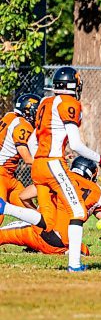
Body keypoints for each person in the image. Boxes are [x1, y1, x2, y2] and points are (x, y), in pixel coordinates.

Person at [31, 67, 101, 272]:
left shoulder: (44, 102)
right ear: (74, 85)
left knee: (48, 219)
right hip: (52, 163)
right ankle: (74, 265)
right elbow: (76, 144)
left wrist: (44, 157)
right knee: (78, 211)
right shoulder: (68, 103)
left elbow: (33, 140)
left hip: (38, 164)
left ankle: (6, 207)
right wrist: (100, 158)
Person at [0, 156, 101, 256]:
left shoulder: (57, 177)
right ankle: (67, 252)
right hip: (61, 245)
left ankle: (34, 244)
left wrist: (37, 216)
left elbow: (24, 196)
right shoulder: (99, 193)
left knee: (3, 235)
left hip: (39, 234)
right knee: (82, 249)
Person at [0, 94, 41, 226]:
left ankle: (39, 242)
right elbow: (28, 159)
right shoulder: (23, 125)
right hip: (1, 174)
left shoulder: (10, 116)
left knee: (30, 211)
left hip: (8, 177)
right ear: (30, 111)